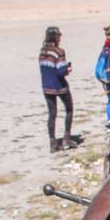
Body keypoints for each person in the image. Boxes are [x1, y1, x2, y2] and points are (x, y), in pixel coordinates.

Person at [39, 25, 74, 153]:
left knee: (52, 114)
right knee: (69, 109)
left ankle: (52, 142)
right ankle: (66, 138)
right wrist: (68, 69)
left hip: (46, 86)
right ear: (56, 37)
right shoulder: (58, 52)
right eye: (59, 35)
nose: (60, 37)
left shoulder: (42, 51)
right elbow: (61, 71)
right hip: (59, 86)